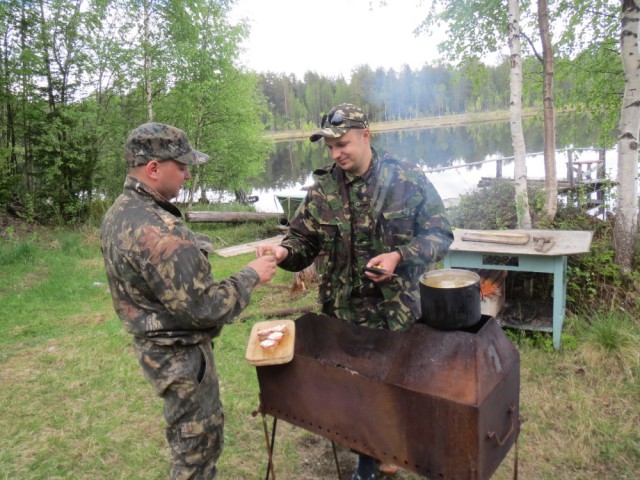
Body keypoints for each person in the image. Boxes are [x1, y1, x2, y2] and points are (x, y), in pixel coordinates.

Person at [256, 103, 453, 480]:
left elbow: (440, 235)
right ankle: (366, 457)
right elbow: (302, 241)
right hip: (342, 316)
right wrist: (283, 251)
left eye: (342, 144)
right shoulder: (323, 190)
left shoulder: (407, 180)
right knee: (353, 392)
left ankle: (395, 448)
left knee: (397, 388)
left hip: (395, 313)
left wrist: (400, 256)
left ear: (366, 135)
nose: (336, 154)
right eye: (329, 148)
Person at [100, 122, 277, 479]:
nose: (187, 175)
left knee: (190, 446)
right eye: (181, 167)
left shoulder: (123, 211)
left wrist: (197, 247)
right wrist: (252, 274)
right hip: (180, 357)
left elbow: (160, 268)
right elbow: (205, 307)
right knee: (195, 455)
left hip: (158, 352)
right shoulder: (157, 230)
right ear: (153, 168)